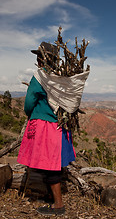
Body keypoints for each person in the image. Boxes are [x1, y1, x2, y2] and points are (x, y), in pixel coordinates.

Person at [17, 42, 76, 216]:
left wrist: (30, 113)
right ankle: (52, 197)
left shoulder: (40, 77)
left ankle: (58, 205)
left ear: (42, 60)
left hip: (45, 127)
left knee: (50, 165)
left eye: (39, 57)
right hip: (59, 127)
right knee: (53, 163)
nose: (38, 60)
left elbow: (29, 101)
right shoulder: (61, 77)